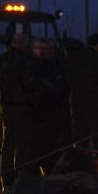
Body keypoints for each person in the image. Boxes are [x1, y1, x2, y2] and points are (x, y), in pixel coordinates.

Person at [0, 32, 37, 191]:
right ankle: (21, 181)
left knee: (5, 147)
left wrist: (2, 101)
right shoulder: (27, 61)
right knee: (22, 146)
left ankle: (4, 181)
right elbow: (32, 84)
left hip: (4, 110)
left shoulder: (0, 60)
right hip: (22, 110)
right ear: (22, 43)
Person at [28, 38, 69, 175]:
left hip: (53, 114)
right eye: (43, 50)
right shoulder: (32, 68)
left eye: (49, 49)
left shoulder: (57, 65)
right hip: (38, 113)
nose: (46, 53)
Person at [62, 37, 98, 150]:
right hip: (94, 104)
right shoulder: (97, 59)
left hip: (77, 103)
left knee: (80, 139)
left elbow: (68, 79)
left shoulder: (74, 58)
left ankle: (80, 163)